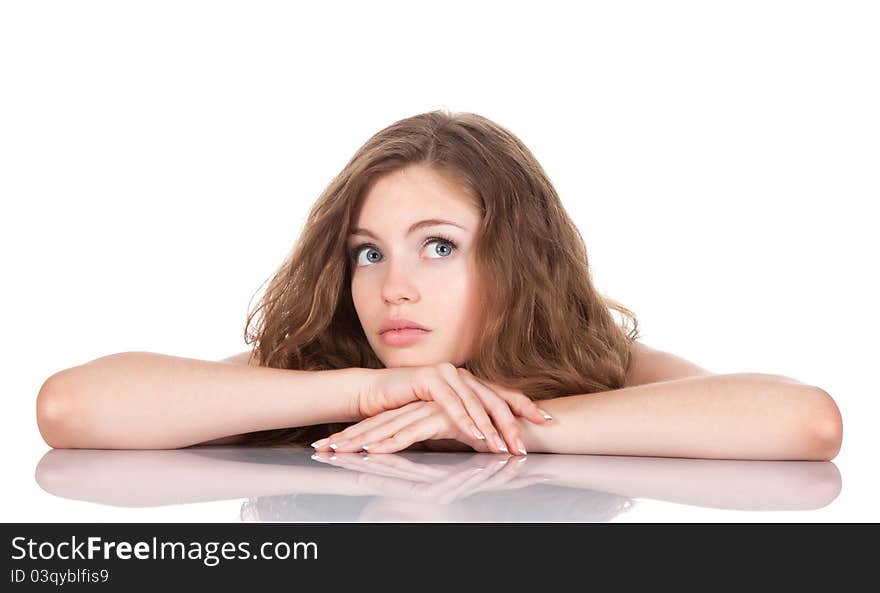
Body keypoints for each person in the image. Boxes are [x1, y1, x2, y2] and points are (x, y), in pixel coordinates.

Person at [36, 110, 843, 460]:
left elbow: (805, 422)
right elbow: (71, 408)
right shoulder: (334, 366)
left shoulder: (595, 362)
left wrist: (479, 422)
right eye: (369, 253)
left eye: (439, 246)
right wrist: (363, 396)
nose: (396, 288)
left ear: (515, 260)